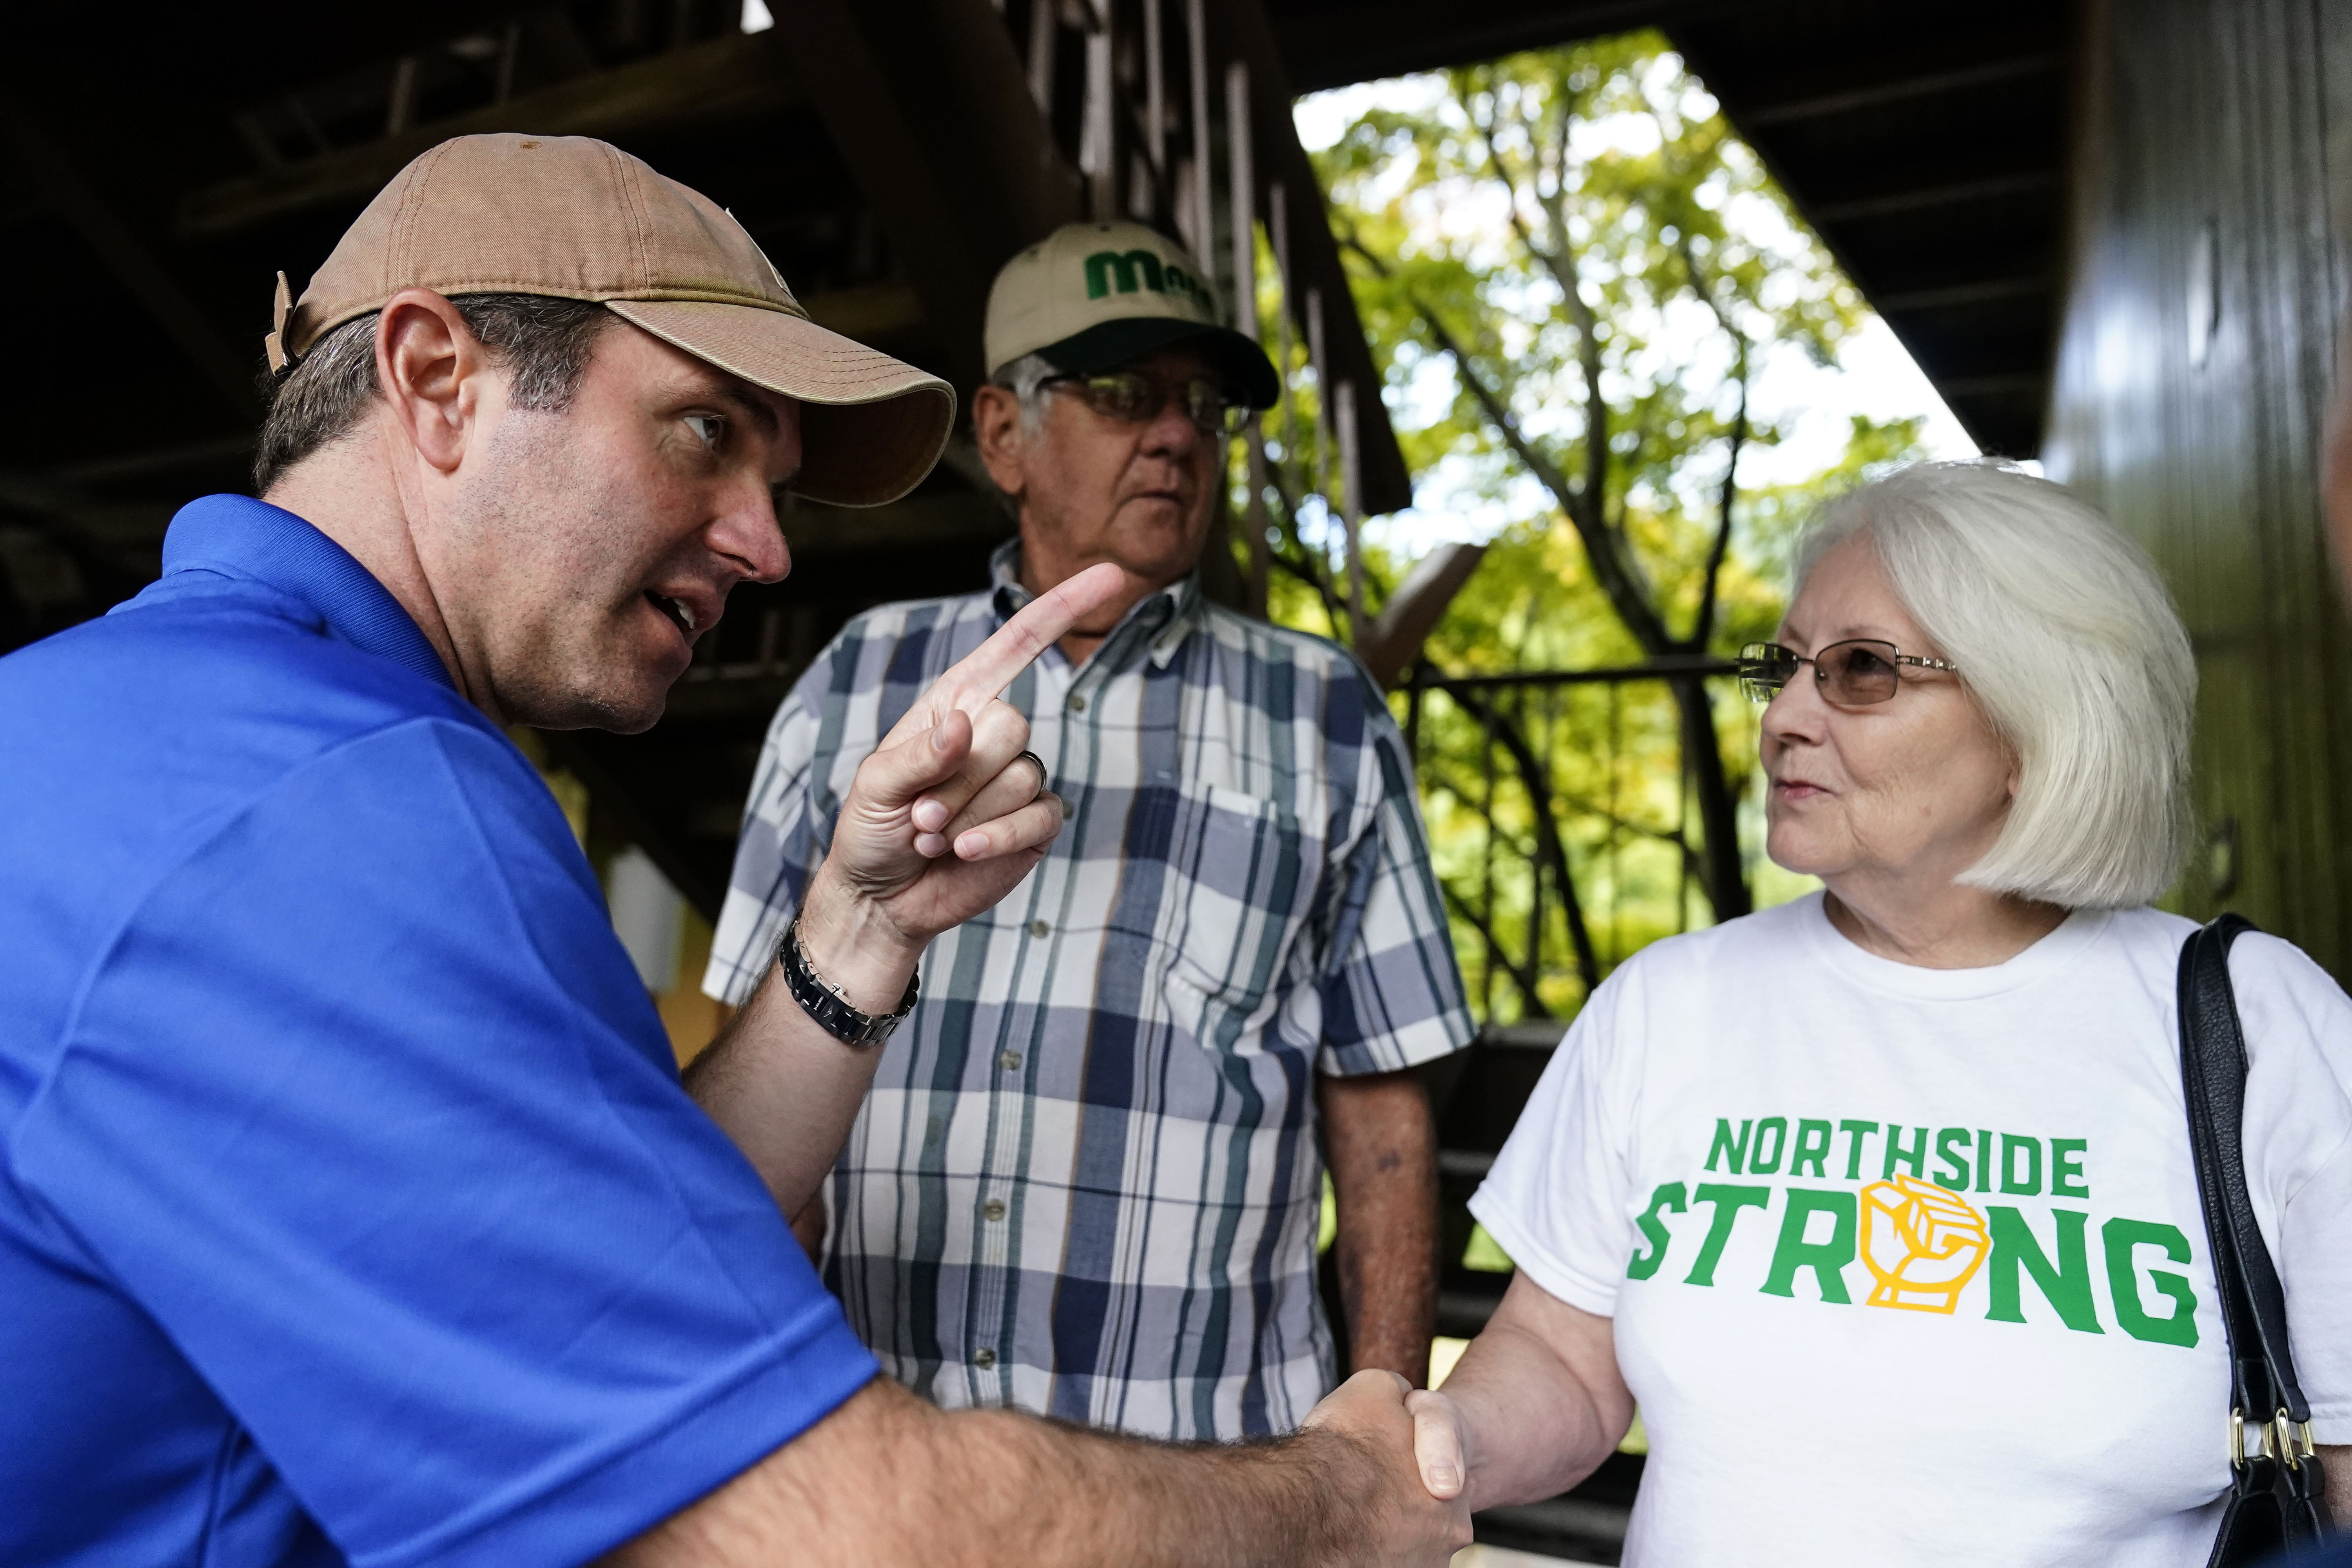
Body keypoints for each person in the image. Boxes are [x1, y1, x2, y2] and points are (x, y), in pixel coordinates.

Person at [0, 133, 1469, 1567]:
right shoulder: (342, 801)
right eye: (705, 428)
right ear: (438, 380)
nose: (771, 549)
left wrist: (857, 935)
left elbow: (591, 1248)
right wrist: (1348, 1500)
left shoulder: (104, 711)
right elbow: (833, 1533)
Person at [1405, 461, 2352, 1563]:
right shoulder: (1671, 1005)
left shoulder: (2264, 1027)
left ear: (2031, 718)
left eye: (1860, 671)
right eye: (1787, 668)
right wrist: (1449, 1438)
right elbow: (1564, 1357)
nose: (1783, 722)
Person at [702, 219, 1474, 1439]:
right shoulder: (864, 682)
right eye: (1123, 393)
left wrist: (1386, 1432)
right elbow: (755, 1056)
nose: (1175, 433)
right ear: (1003, 432)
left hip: (1212, 1469)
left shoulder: (1325, 711)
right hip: (885, 1445)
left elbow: (1378, 1099)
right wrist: (771, 1409)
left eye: (1202, 404)